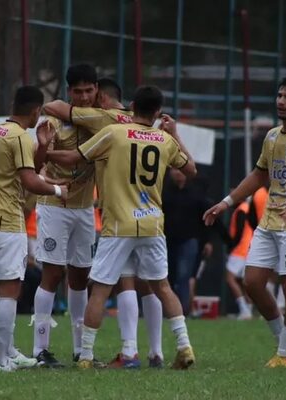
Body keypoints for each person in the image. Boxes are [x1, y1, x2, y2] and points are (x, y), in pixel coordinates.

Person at [47, 86, 198, 370]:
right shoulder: (164, 139)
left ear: (131, 106)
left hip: (118, 224)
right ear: (157, 112)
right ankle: (184, 346)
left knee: (102, 289)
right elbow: (190, 170)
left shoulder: (114, 133)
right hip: (152, 224)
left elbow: (74, 158)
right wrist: (174, 133)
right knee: (163, 287)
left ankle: (87, 356)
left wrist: (46, 151)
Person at [203, 77, 286, 368]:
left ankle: (284, 356)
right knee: (252, 282)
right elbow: (259, 176)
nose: (282, 101)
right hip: (269, 220)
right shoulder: (272, 136)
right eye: (280, 95)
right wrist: (226, 203)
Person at [0, 86, 68, 372]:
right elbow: (30, 180)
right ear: (36, 111)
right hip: (6, 219)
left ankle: (9, 350)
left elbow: (22, 167)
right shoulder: (18, 137)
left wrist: (42, 146)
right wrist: (58, 189)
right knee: (11, 288)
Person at [30, 64, 99, 368]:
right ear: (69, 93)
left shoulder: (102, 121)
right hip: (54, 206)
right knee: (53, 274)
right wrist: (43, 149)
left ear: (96, 90)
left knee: (80, 278)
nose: (84, 96)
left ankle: (80, 351)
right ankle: (40, 349)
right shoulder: (55, 122)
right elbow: (35, 165)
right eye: (78, 91)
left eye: (89, 90)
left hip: (85, 209)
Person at [162, 170, 218, 317]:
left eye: (181, 170)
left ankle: (183, 311)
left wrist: (207, 241)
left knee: (184, 276)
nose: (178, 173)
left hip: (189, 240)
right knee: (168, 276)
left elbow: (205, 218)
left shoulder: (195, 193)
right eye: (175, 170)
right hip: (168, 240)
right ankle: (169, 311)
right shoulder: (165, 192)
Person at [225, 198, 254, 320]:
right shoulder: (249, 209)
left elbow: (239, 232)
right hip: (249, 249)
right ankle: (248, 310)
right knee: (244, 282)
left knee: (230, 278)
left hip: (240, 250)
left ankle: (244, 309)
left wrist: (231, 247)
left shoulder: (242, 209)